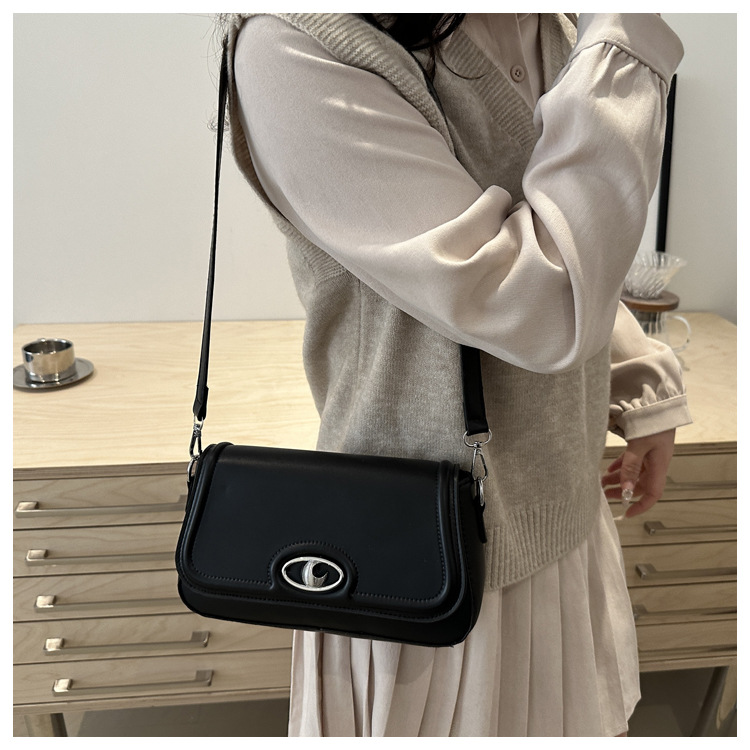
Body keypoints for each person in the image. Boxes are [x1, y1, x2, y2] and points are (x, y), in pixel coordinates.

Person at [220, 13, 692, 737]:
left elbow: (571, 243)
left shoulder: (553, 23)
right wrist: (623, 35)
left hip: (563, 511)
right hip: (422, 551)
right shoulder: (298, 44)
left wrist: (640, 387)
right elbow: (544, 300)